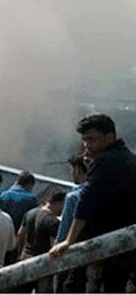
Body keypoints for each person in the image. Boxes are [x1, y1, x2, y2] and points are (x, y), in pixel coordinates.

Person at [49, 114, 136, 293]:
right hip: (126, 246)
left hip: (104, 247)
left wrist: (68, 241)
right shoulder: (130, 159)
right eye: (85, 140)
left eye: (92, 139)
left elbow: (86, 204)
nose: (87, 145)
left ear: (109, 137)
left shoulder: (103, 163)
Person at [17, 192, 64, 293]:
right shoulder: (53, 222)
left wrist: (19, 255)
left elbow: (20, 234)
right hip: (43, 262)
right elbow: (54, 245)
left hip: (25, 258)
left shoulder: (30, 213)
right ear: (58, 203)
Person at [54, 157, 87, 293]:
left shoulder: (74, 196)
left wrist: (57, 246)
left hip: (71, 256)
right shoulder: (103, 191)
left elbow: (64, 230)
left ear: (79, 170)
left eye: (73, 170)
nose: (72, 173)